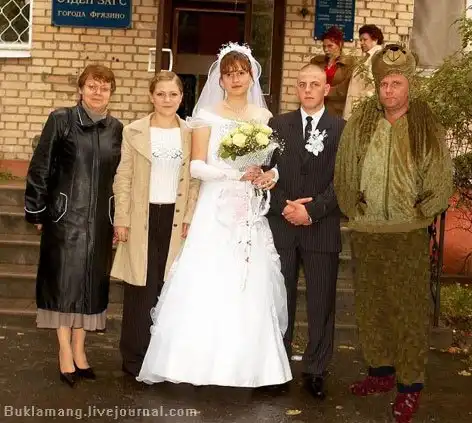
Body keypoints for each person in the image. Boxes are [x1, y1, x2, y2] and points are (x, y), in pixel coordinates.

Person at [136, 43, 292, 388]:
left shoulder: (263, 117)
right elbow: (196, 166)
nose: (236, 79)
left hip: (248, 207)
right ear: (220, 79)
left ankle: (251, 368)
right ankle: (192, 365)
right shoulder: (206, 115)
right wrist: (232, 173)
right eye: (229, 73)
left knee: (248, 279)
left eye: (241, 72)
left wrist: (268, 174)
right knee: (208, 275)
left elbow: (274, 163)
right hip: (215, 204)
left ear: (251, 76)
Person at [334, 44, 454, 423]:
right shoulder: (362, 121)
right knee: (371, 305)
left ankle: (409, 385)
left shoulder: (424, 123)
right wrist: (353, 207)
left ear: (409, 85)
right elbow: (345, 167)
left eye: (396, 83)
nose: (388, 91)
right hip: (367, 228)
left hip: (408, 232)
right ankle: (380, 371)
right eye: (384, 84)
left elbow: (440, 174)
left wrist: (422, 210)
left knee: (409, 310)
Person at [24, 64, 123, 387]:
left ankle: (80, 350)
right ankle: (64, 351)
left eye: (104, 88)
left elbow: (121, 177)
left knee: (90, 288)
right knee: (64, 287)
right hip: (64, 219)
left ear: (111, 93)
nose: (98, 92)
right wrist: (37, 210)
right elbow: (41, 166)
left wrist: (118, 217)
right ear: (81, 89)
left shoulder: (116, 128)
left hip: (100, 221)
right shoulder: (61, 120)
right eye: (92, 86)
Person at [111, 71, 200, 377]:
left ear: (181, 97)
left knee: (169, 288)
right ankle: (134, 358)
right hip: (141, 218)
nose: (166, 99)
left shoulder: (190, 133)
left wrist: (189, 216)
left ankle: (163, 359)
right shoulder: (134, 131)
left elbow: (195, 181)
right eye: (160, 94)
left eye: (173, 94)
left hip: (175, 219)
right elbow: (123, 177)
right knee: (140, 288)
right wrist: (121, 219)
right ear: (151, 96)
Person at [264, 63, 345, 399]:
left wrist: (311, 211)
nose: (308, 89)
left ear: (326, 89)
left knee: (321, 302)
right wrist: (284, 206)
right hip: (283, 225)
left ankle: (316, 369)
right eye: (302, 84)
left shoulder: (341, 128)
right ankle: (278, 367)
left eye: (315, 84)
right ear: (295, 89)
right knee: (279, 299)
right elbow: (265, 170)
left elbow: (344, 179)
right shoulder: (277, 125)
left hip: (321, 226)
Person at [310, 26, 355, 117]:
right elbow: (309, 80)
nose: (326, 50)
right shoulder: (316, 61)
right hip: (315, 108)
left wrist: (323, 91)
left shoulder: (350, 64)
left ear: (340, 45)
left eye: (330, 46)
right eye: (324, 46)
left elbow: (345, 88)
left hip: (337, 110)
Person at [343, 24, 384, 120]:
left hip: (364, 112)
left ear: (375, 39)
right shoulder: (367, 57)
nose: (361, 43)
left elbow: (377, 86)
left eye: (365, 40)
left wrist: (365, 107)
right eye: (360, 40)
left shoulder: (378, 57)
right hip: (356, 110)